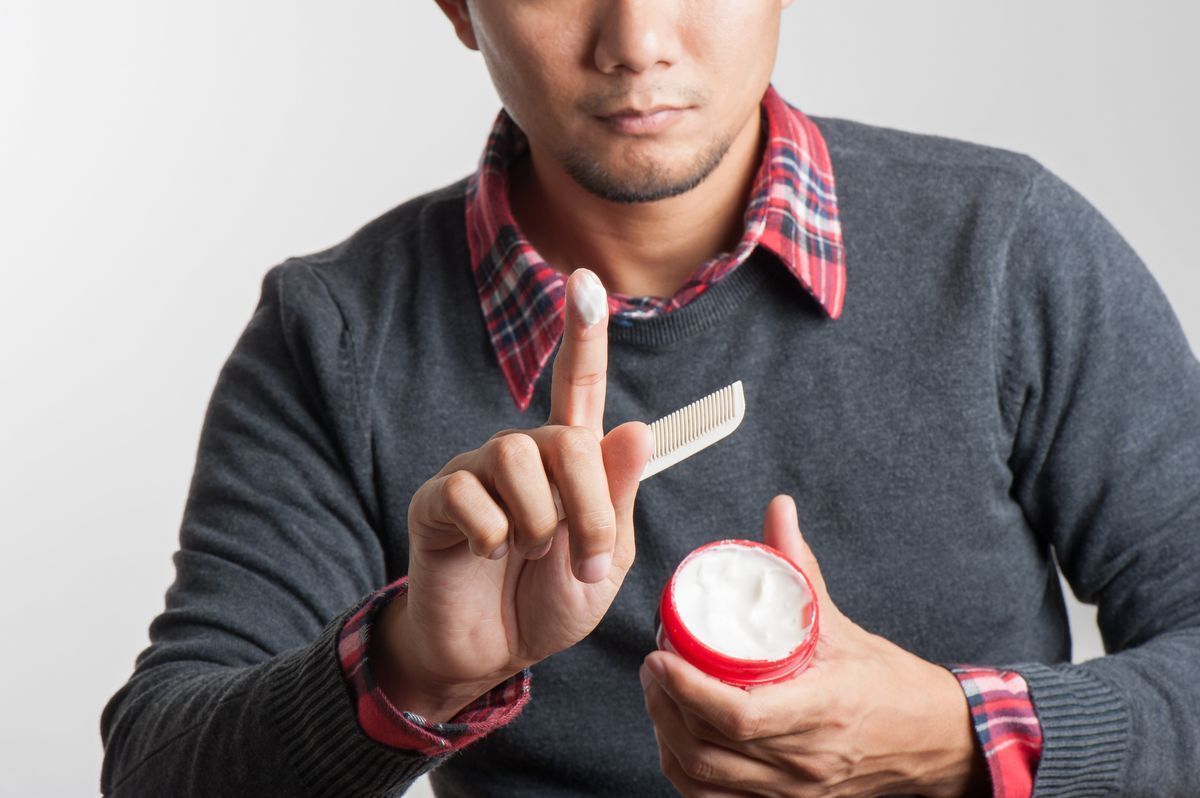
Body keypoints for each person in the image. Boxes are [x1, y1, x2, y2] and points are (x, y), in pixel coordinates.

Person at [100, 1, 1200, 796]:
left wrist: (955, 736)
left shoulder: (1005, 248)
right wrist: (415, 664)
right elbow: (153, 769)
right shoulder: (334, 337)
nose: (637, 41)